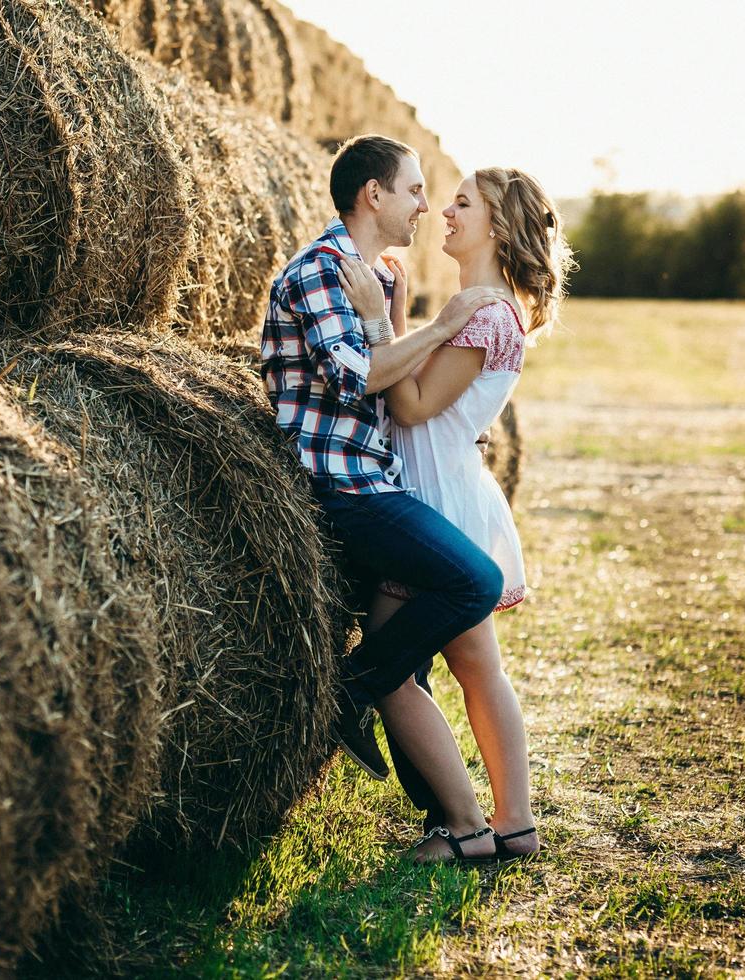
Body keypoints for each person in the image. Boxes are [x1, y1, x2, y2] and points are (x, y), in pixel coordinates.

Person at [259, 135, 510, 800]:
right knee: (474, 582)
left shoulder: (371, 274)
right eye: (415, 189)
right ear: (374, 195)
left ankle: (445, 820)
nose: (427, 206)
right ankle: (348, 691)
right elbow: (359, 380)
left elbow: (396, 392)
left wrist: (390, 315)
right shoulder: (320, 272)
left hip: (375, 479)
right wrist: (439, 324)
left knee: (409, 656)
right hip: (341, 488)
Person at [337, 166, 575, 861]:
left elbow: (408, 406)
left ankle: (466, 826)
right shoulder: (482, 305)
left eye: (463, 203)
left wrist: (380, 323)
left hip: (436, 505)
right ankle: (514, 822)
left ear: (497, 226)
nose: (445, 210)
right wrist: (407, 315)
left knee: (388, 673)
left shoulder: (488, 313)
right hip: (449, 492)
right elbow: (424, 395)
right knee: (477, 670)